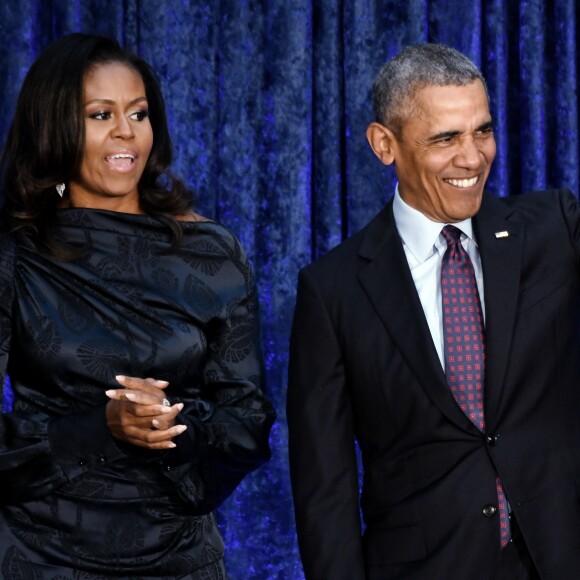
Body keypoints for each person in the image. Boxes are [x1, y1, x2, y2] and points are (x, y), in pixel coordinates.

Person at [287, 43, 580, 580]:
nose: (472, 158)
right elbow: (323, 490)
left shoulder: (555, 228)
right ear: (384, 145)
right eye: (446, 138)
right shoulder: (333, 291)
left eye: (483, 131)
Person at [0, 33, 275, 578]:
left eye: (139, 113)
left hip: (179, 556)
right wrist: (103, 425)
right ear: (55, 126)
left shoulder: (211, 253)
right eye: (101, 114)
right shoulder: (16, 256)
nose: (127, 131)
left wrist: (171, 423)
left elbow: (248, 424)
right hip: (40, 554)